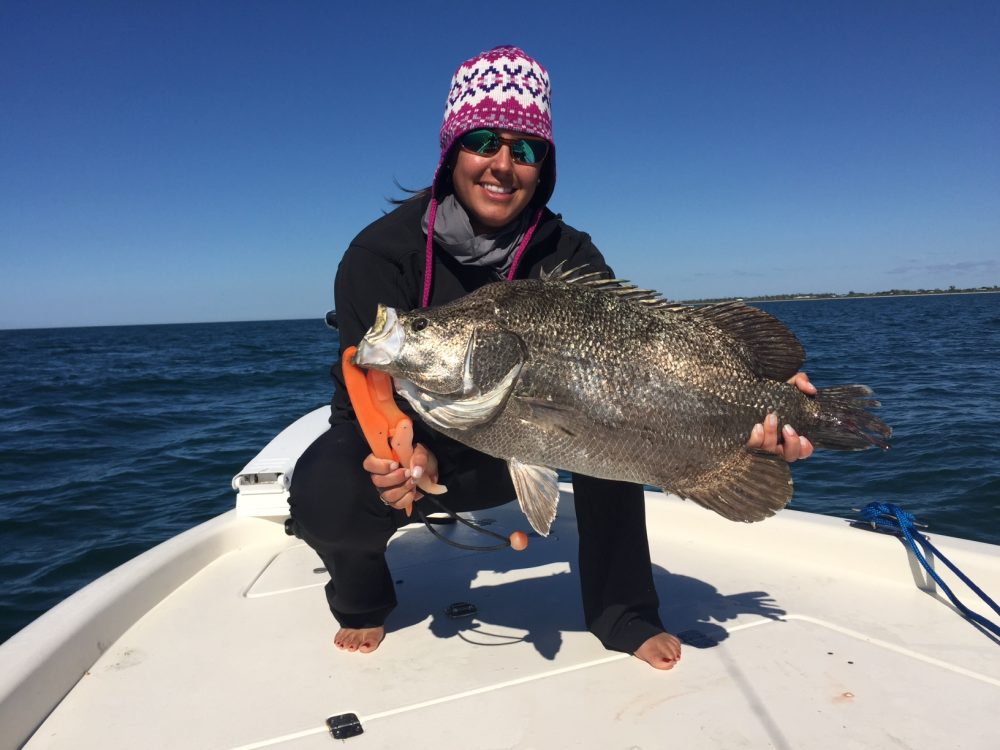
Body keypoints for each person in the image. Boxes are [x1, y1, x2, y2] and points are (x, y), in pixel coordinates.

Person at [288, 46, 815, 670]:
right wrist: (393, 452)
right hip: (421, 447)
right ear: (452, 151)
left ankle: (625, 611)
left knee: (607, 417)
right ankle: (364, 598)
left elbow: (645, 355)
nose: (503, 164)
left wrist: (765, 393)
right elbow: (359, 389)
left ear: (544, 166)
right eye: (484, 140)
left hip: (540, 430)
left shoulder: (570, 253)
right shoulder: (381, 255)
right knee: (323, 490)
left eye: (525, 149)